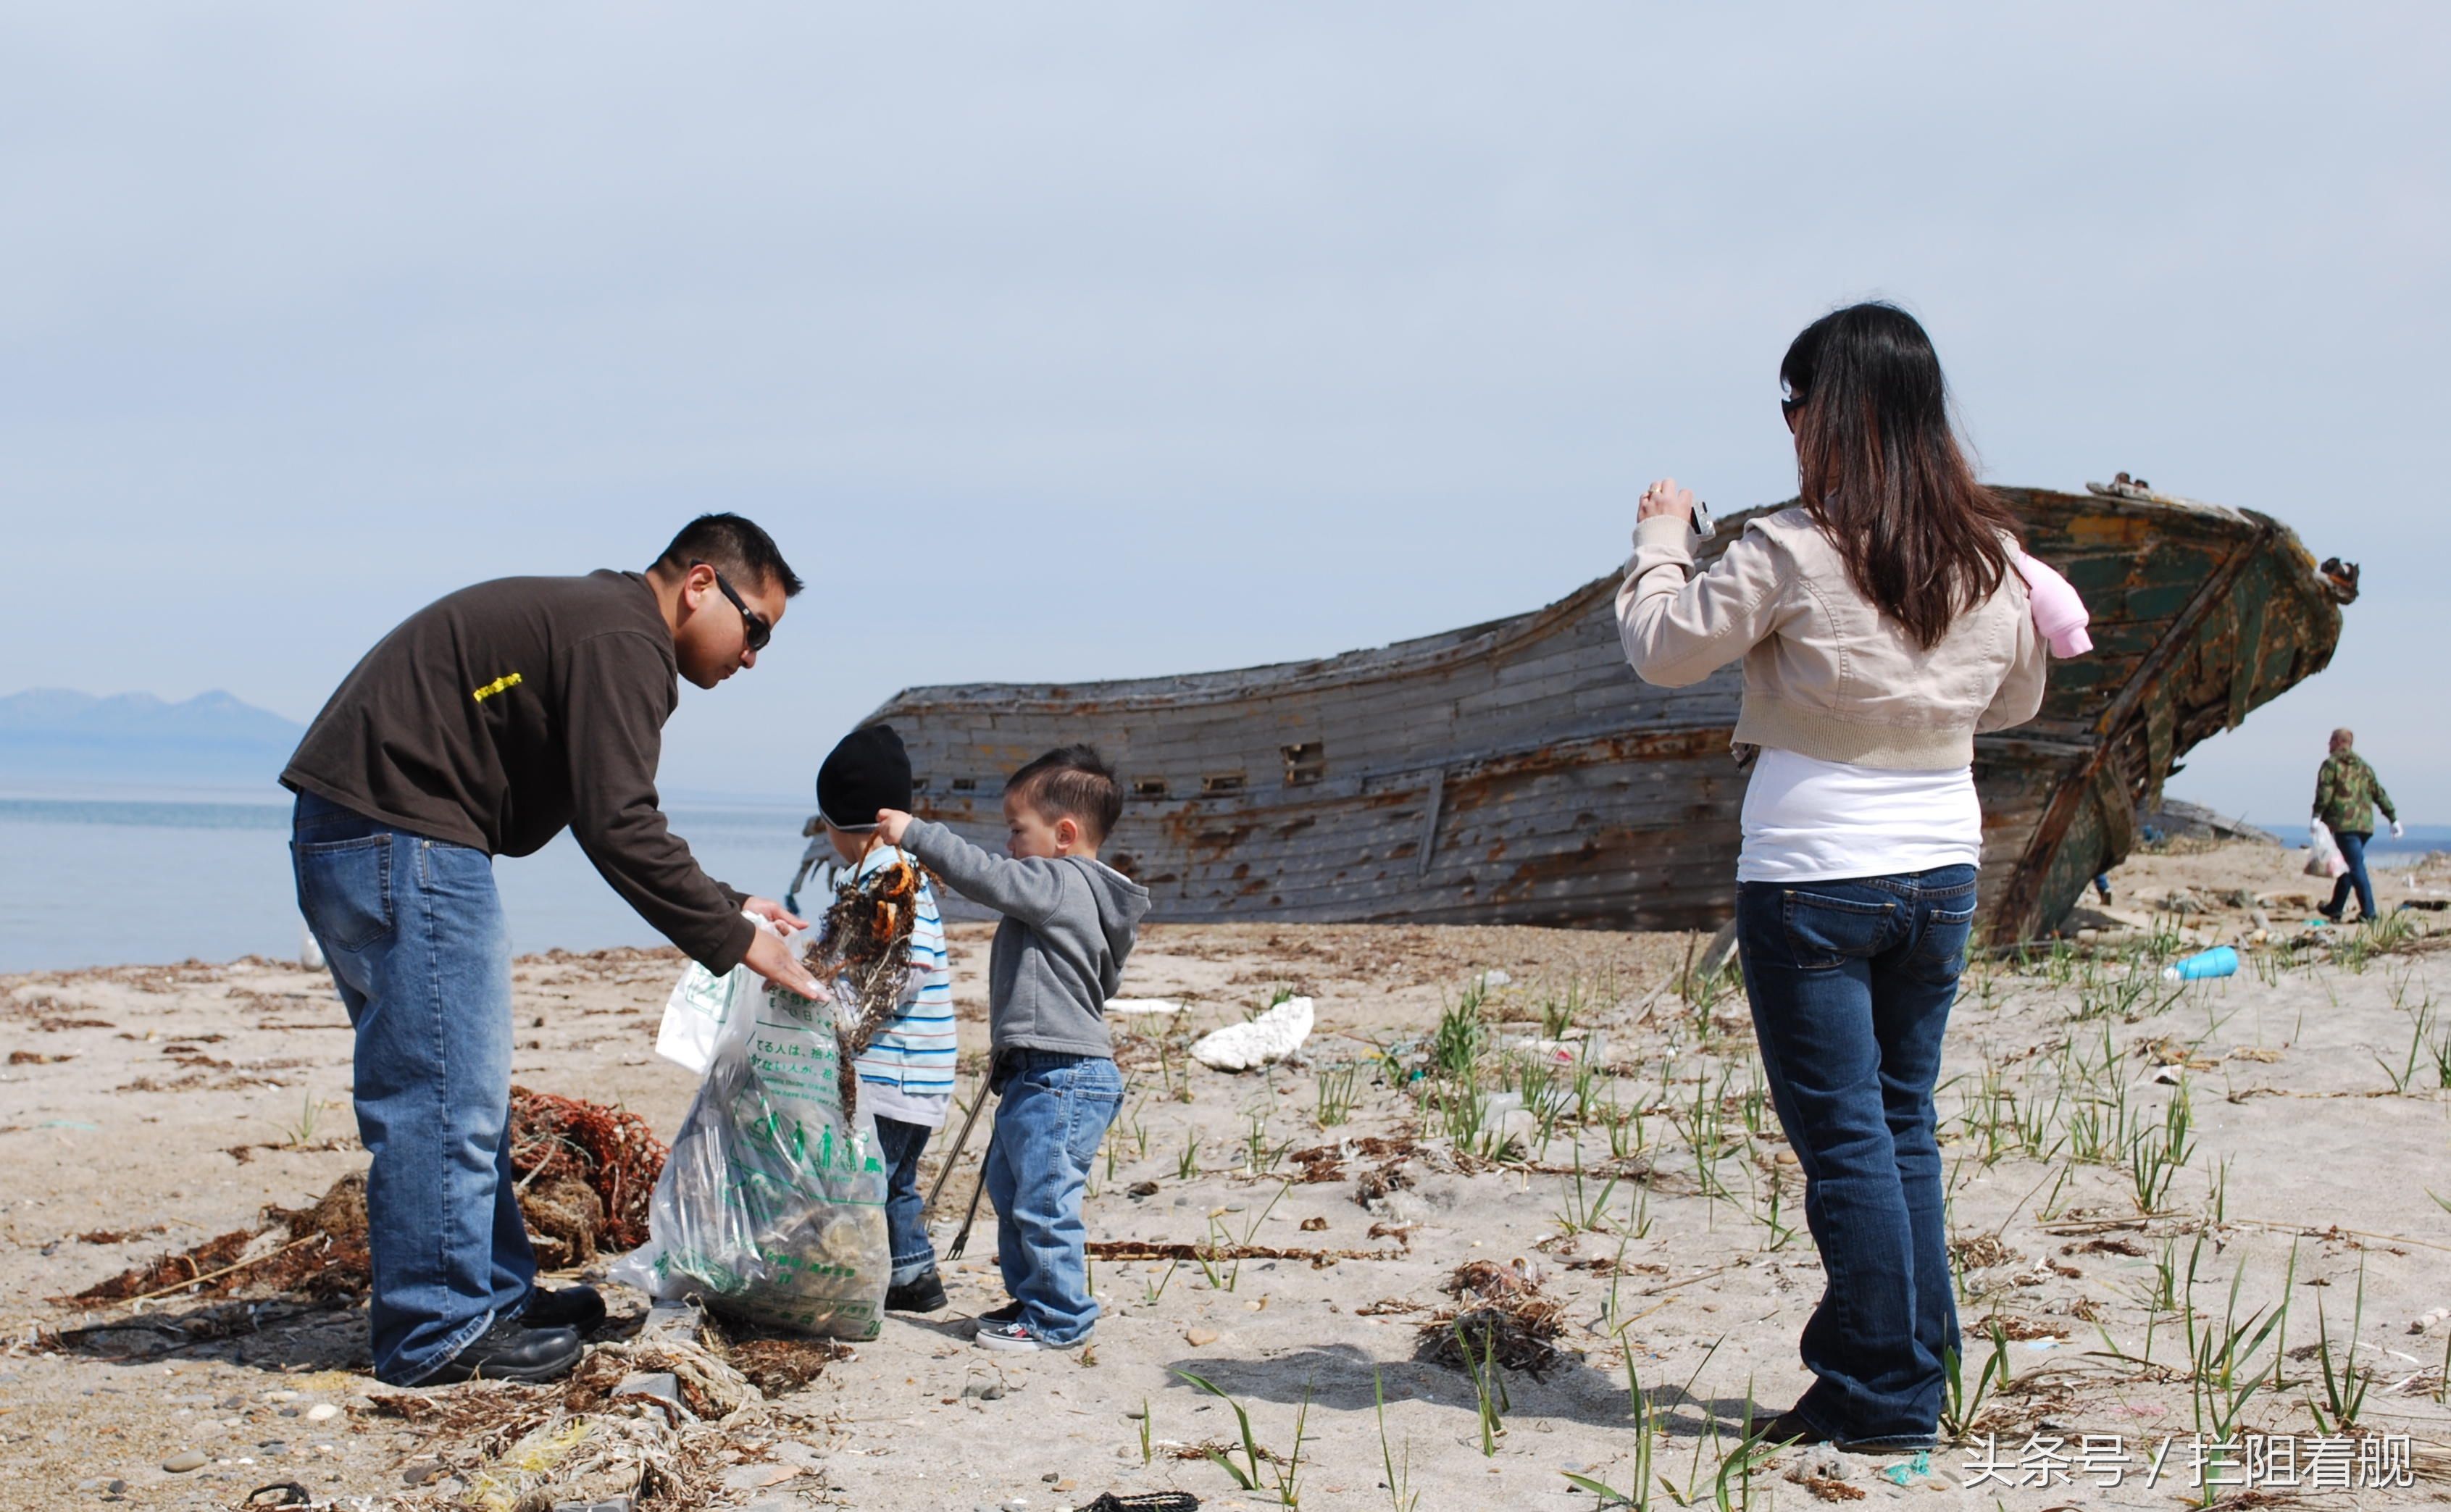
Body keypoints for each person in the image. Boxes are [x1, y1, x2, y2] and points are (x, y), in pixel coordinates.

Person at [1617, 303, 2049, 1450]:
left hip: (1812, 872)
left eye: (1792, 403)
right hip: (1941, 866)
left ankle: (1879, 1393)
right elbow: (2015, 700)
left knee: (1846, 1137)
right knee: (1900, 1122)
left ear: (1827, 413)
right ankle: (1919, 1363)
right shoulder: (1989, 553)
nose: (1788, 424)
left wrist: (1663, 536)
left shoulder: (1789, 546)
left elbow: (1662, 650)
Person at [281, 514, 827, 1387]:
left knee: (461, 1086)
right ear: (698, 584)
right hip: (402, 835)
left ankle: (489, 1293)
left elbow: (600, 806)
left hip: (373, 830)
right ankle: (436, 1331)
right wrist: (736, 941)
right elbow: (617, 822)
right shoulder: (624, 639)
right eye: (754, 627)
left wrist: (727, 904)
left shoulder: (601, 624)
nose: (753, 655)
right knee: (440, 1095)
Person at [874, 746, 1148, 1353]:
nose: (1008, 843)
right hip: (1043, 1072)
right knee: (1011, 1185)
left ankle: (1059, 1317)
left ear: (1064, 835)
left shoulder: (1061, 880)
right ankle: (1032, 1299)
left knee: (1044, 1199)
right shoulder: (1084, 899)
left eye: (1017, 829)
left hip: (1062, 1075)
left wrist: (915, 833)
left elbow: (988, 877)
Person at [800, 723, 959, 1313]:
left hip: (896, 1074)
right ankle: (908, 1274)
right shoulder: (895, 869)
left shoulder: (888, 876)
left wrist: (845, 1011)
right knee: (892, 1182)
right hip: (916, 1072)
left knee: (872, 1181)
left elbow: (901, 962)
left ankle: (909, 1278)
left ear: (839, 826)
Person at [2314, 727, 2401, 924]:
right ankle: (2336, 907)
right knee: (2348, 864)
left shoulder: (2331, 765)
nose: (2328, 745)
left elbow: (2325, 792)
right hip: (2365, 825)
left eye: (2330, 741)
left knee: (2355, 867)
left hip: (2345, 824)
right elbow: (2379, 793)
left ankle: (2369, 912)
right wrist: (2392, 818)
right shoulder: (2363, 766)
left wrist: (2317, 815)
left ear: (2338, 742)